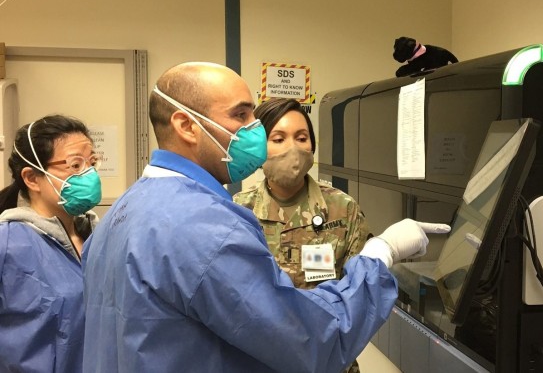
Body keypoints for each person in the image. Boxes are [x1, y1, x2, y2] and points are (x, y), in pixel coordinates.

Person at [82, 62, 450, 373]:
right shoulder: (208, 227)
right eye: (240, 115)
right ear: (186, 125)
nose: (253, 130)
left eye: (255, 118)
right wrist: (381, 254)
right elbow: (313, 339)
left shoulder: (126, 209)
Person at [233, 98, 368, 373]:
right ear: (260, 149)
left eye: (302, 137)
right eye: (278, 138)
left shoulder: (343, 209)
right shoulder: (238, 211)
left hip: (329, 359)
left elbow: (359, 297)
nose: (292, 149)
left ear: (312, 145)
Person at [0, 114, 102, 373]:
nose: (89, 174)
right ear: (32, 178)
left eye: (92, 163)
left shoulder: (98, 236)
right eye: (75, 166)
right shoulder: (8, 245)